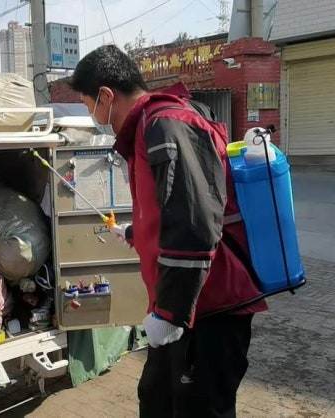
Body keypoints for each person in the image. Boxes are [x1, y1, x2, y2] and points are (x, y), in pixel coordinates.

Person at [68, 45, 268, 418]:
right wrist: (134, 233)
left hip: (208, 309)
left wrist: (170, 314)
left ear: (106, 96)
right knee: (157, 399)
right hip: (186, 308)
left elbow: (195, 225)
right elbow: (171, 210)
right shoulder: (151, 125)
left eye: (88, 105)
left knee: (199, 410)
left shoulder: (165, 124)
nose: (92, 115)